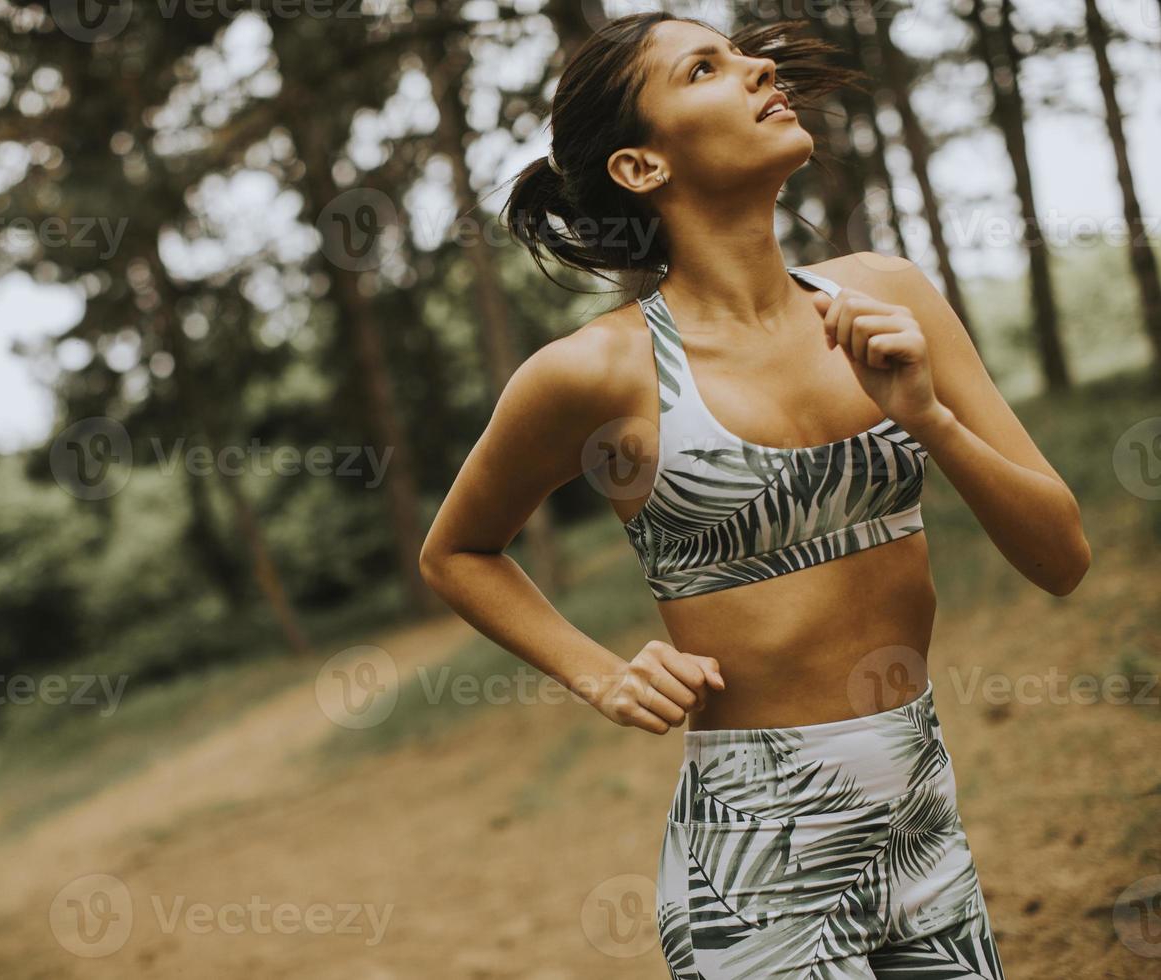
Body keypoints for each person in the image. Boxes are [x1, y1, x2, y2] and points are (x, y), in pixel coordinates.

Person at [417, 12, 1089, 979]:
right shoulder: (596, 374)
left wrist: (927, 415)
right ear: (643, 167)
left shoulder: (888, 295)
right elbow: (456, 551)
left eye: (741, 52)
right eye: (706, 68)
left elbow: (1062, 558)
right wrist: (598, 673)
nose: (758, 66)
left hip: (924, 829)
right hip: (759, 868)